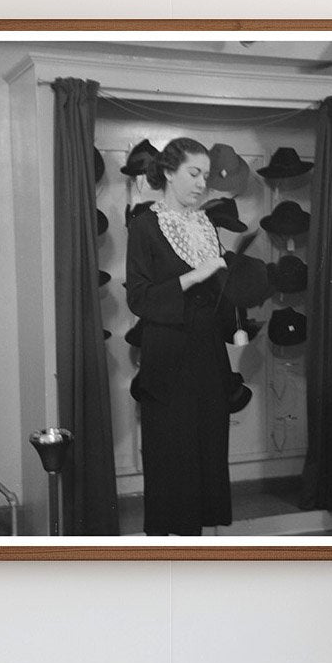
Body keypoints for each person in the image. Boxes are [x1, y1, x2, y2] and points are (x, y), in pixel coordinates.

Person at [125, 137, 234, 536]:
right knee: (173, 455)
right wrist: (195, 275)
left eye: (205, 175)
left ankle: (197, 555)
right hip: (168, 359)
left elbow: (218, 291)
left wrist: (238, 300)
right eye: (194, 173)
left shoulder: (205, 223)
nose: (202, 183)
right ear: (169, 173)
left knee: (207, 452)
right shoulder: (144, 226)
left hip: (208, 356)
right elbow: (139, 298)